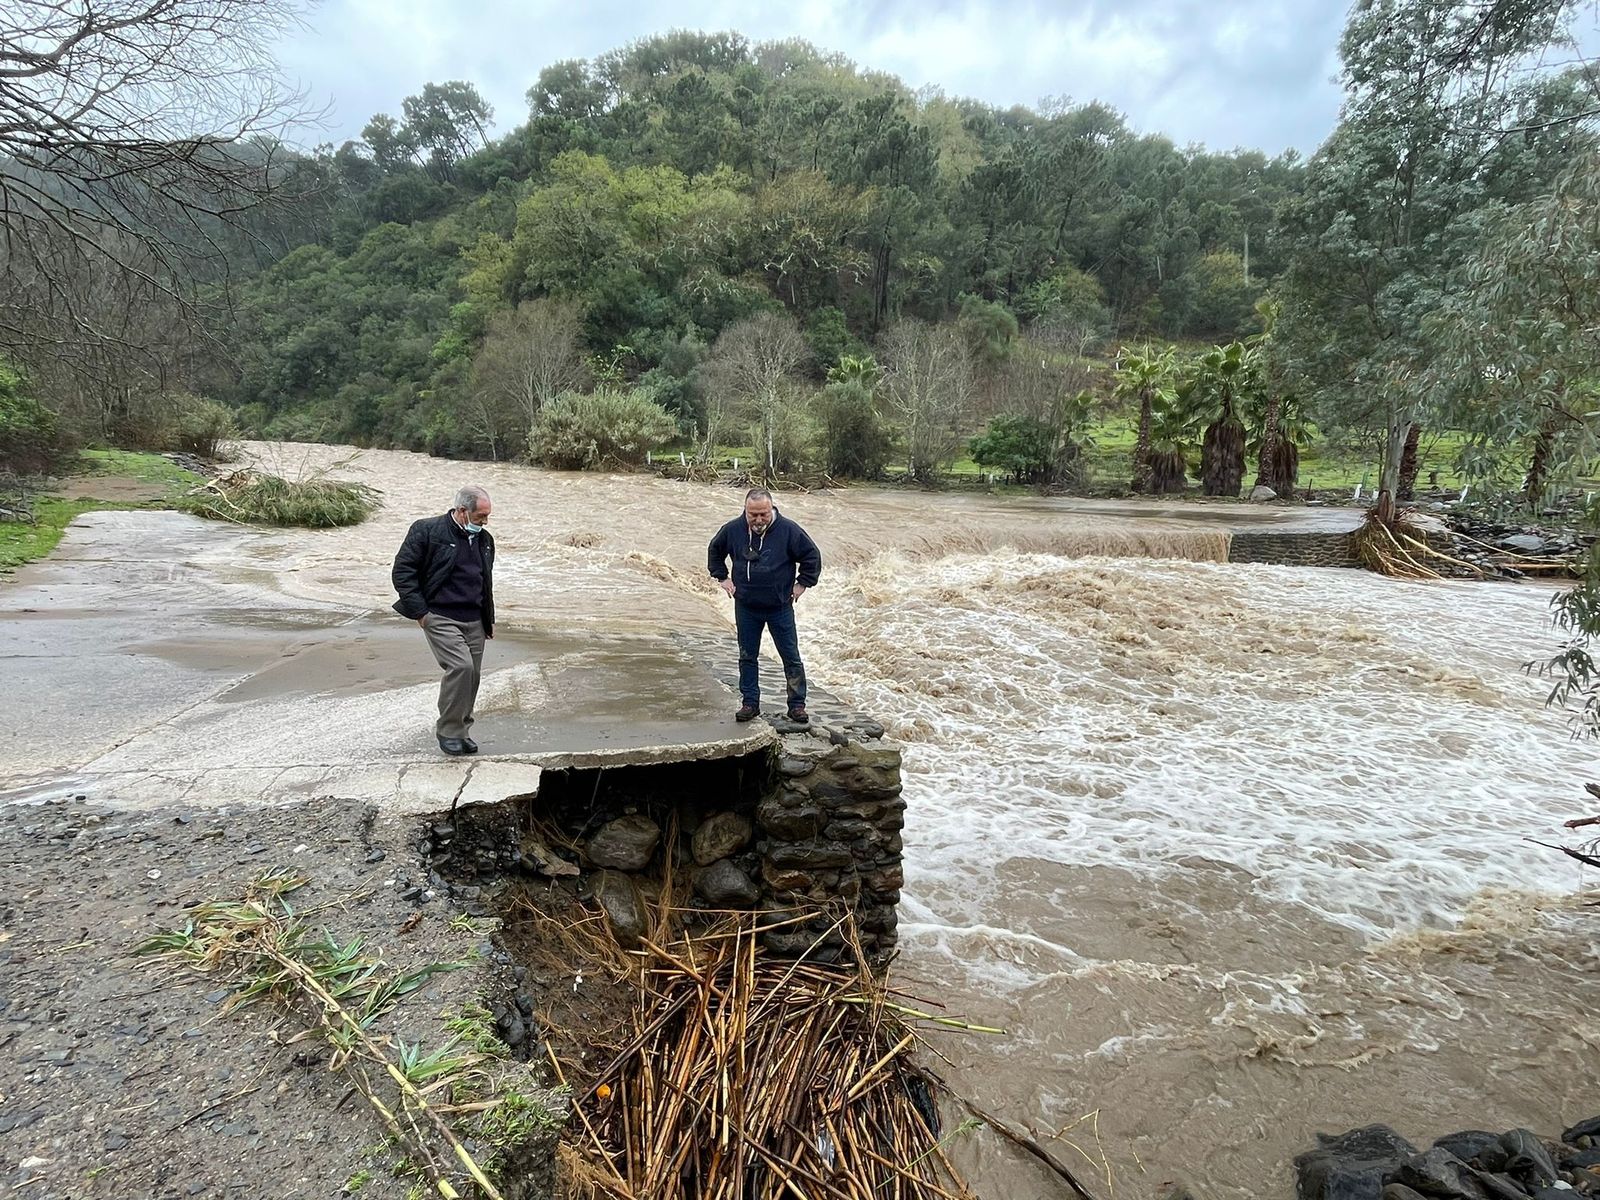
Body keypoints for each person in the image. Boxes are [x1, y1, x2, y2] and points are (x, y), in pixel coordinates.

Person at [391, 486, 495, 756]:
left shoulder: (485, 540)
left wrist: (488, 620)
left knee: (472, 676)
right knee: (460, 667)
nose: (485, 522)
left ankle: (462, 730)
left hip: (474, 618)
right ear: (462, 511)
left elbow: (485, 582)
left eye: (487, 516)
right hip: (440, 615)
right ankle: (448, 731)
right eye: (481, 516)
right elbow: (403, 572)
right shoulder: (426, 530)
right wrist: (421, 613)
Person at [707, 488, 821, 724]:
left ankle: (797, 706)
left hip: (780, 606)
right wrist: (722, 577)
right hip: (746, 605)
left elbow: (812, 556)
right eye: (753, 515)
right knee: (747, 656)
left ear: (772, 509)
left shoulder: (789, 530)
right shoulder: (732, 530)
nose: (759, 519)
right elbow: (715, 551)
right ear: (745, 511)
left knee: (791, 656)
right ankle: (750, 703)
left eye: (763, 514)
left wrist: (803, 584)